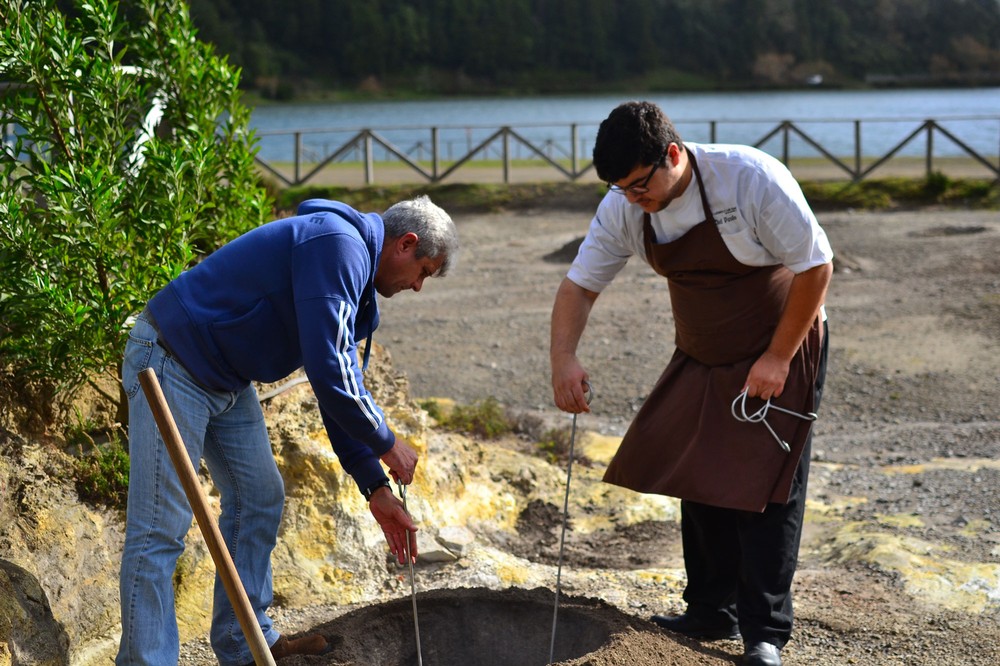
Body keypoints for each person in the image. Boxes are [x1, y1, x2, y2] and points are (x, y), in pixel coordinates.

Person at [117, 196, 459, 666]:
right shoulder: (338, 246)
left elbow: (340, 389)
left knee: (259, 497)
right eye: (423, 271)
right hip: (170, 360)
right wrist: (387, 443)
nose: (418, 286)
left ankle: (245, 644)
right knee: (160, 528)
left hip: (226, 378)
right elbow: (331, 376)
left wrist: (375, 485)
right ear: (406, 243)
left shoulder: (356, 285)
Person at [550, 101, 832, 666]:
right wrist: (564, 358)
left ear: (673, 154)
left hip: (782, 345)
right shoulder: (624, 205)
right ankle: (711, 609)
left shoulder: (749, 178)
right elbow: (580, 286)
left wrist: (777, 358)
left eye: (639, 185)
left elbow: (816, 265)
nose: (633, 199)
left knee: (766, 490)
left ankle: (765, 634)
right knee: (698, 475)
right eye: (621, 189)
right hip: (701, 353)